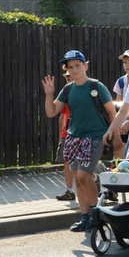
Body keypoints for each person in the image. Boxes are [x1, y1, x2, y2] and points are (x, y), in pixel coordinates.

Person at [42, 50, 117, 232]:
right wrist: (49, 94)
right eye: (70, 67)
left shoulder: (97, 87)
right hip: (74, 138)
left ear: (86, 65)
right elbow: (51, 112)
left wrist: (113, 136)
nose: (74, 70)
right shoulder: (68, 89)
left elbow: (113, 113)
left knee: (83, 175)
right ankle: (85, 218)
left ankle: (96, 213)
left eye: (78, 65)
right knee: (77, 178)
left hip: (95, 137)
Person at [55, 69, 76, 201]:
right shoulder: (65, 93)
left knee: (81, 164)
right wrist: (61, 137)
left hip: (80, 132)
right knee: (67, 163)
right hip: (67, 133)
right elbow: (62, 116)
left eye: (70, 76)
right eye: (66, 77)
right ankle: (69, 191)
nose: (68, 79)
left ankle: (93, 183)